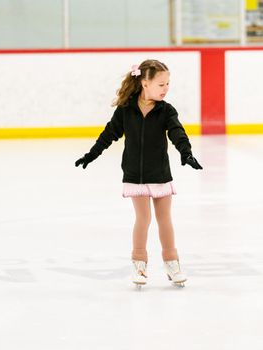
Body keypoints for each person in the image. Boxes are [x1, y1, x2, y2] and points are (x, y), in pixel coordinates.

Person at [75, 59, 202, 288]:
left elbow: (177, 133)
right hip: (135, 174)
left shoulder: (166, 110)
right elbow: (109, 134)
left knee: (164, 219)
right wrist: (92, 154)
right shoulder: (126, 110)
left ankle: (172, 264)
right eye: (161, 84)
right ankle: (139, 264)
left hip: (160, 173)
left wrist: (186, 153)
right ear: (145, 83)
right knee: (143, 218)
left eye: (168, 84)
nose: (166, 88)